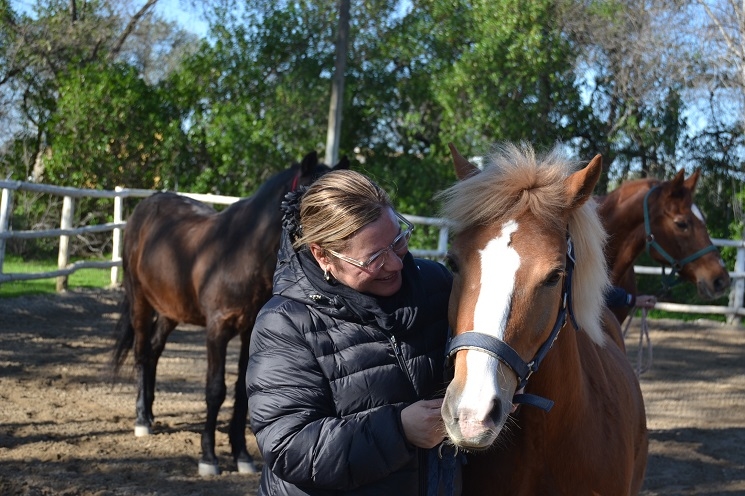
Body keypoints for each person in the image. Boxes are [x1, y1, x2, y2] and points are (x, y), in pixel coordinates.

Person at [246, 169, 455, 496]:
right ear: (323, 255)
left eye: (398, 240)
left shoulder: (437, 284)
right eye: (373, 257)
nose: (397, 264)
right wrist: (399, 430)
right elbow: (290, 447)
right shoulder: (285, 323)